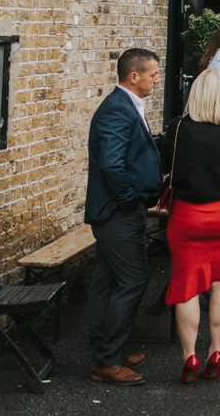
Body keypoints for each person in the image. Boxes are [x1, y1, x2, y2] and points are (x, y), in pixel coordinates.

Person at [161, 70, 220, 385]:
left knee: (186, 286)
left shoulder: (177, 128)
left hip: (188, 216)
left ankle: (190, 355)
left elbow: (165, 167)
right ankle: (215, 350)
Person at [85, 48, 162, 387]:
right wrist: (131, 199)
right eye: (153, 75)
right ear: (134, 77)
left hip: (116, 212)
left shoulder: (124, 105)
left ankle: (106, 352)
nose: (157, 80)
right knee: (133, 280)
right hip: (117, 213)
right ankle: (107, 362)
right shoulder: (118, 110)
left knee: (107, 281)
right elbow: (112, 165)